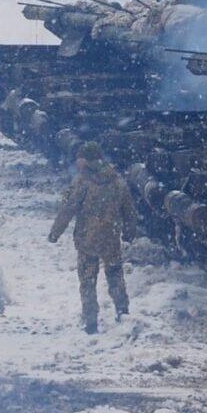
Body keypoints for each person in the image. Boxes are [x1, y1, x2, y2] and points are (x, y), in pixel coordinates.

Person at [48, 142, 139, 334]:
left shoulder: (82, 183)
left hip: (87, 241)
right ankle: (123, 312)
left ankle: (90, 322)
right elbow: (129, 211)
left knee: (88, 282)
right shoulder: (117, 181)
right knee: (115, 277)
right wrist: (129, 233)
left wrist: (55, 232)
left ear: (85, 161)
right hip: (111, 239)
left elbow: (67, 210)